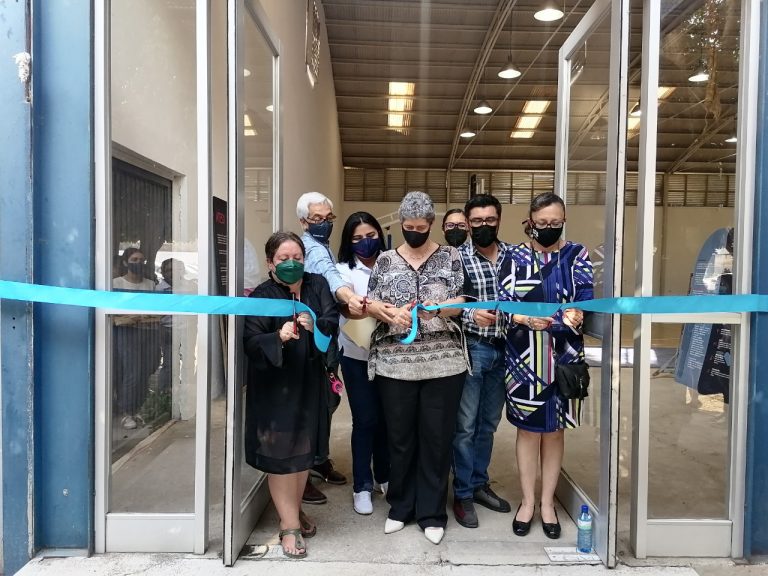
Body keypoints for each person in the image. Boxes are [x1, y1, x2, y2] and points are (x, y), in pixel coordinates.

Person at [364, 191, 467, 545]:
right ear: (401, 222)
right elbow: (371, 302)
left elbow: (461, 301)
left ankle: (432, 512)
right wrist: (389, 312)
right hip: (395, 364)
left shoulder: (451, 256)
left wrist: (437, 309)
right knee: (400, 438)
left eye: (421, 228)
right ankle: (400, 506)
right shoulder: (385, 260)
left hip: (443, 363)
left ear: (431, 224)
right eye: (408, 227)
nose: (414, 232)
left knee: (436, 439)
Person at [498, 192, 593, 539]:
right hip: (524, 358)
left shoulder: (577, 254)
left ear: (564, 221)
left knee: (555, 431)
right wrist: (524, 318)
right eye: (542, 223)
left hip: (564, 358)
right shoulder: (512, 257)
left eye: (555, 222)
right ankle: (527, 502)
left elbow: (586, 300)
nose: (549, 228)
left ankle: (548, 503)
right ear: (530, 222)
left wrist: (575, 314)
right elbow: (502, 305)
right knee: (527, 431)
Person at [243, 231, 340, 559]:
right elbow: (250, 341)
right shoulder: (262, 295)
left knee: (302, 454)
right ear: (270, 262)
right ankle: (289, 526)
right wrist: (277, 337)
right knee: (282, 456)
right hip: (275, 388)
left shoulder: (317, 285)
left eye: (297, 258)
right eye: (283, 259)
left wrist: (315, 325)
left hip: (309, 382)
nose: (291, 264)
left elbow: (331, 318)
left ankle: (293, 512)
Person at [452, 194, 513, 529]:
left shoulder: (515, 256)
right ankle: (462, 493)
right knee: (465, 426)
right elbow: (446, 305)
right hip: (473, 348)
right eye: (477, 221)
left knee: (488, 424)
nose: (484, 226)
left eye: (490, 220)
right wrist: (471, 314)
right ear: (468, 222)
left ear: (499, 220)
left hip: (507, 350)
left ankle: (478, 484)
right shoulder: (456, 258)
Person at [296, 191, 356, 504]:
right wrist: (351, 297)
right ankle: (302, 473)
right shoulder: (310, 249)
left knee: (327, 400)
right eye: (316, 218)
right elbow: (332, 279)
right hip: (310, 338)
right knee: (311, 404)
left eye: (327, 218)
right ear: (303, 221)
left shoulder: (323, 245)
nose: (324, 223)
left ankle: (318, 458)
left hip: (327, 336)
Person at [336, 212, 391, 515]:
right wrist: (373, 307)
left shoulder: (392, 262)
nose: (365, 242)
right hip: (356, 356)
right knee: (365, 420)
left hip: (390, 355)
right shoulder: (343, 270)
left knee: (386, 420)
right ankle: (362, 486)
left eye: (370, 236)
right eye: (357, 238)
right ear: (348, 241)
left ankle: (384, 475)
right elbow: (347, 308)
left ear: (379, 235)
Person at [112, 247, 161, 430]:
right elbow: (112, 311)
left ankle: (139, 407)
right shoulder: (116, 283)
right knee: (132, 371)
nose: (138, 263)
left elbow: (155, 309)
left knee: (147, 369)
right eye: (134, 259)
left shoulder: (150, 284)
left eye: (141, 260)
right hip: (127, 332)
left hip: (148, 331)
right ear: (126, 262)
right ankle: (127, 412)